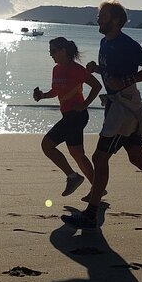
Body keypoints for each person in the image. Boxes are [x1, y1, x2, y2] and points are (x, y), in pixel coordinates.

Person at [61, 0, 142, 230]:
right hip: (117, 107)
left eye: (103, 15)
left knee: (100, 158)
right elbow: (113, 73)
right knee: (136, 156)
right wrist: (96, 69)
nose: (99, 18)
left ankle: (91, 213)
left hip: (124, 109)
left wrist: (127, 81)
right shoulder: (104, 42)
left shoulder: (126, 44)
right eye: (99, 15)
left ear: (116, 20)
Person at [34, 37, 103, 199]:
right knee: (77, 153)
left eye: (53, 51)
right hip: (69, 116)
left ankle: (73, 177)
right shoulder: (56, 69)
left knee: (47, 145)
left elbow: (97, 86)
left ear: (63, 51)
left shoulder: (76, 69)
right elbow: (56, 91)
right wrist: (42, 95)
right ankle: (98, 190)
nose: (51, 54)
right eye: (50, 51)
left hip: (76, 116)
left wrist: (85, 104)